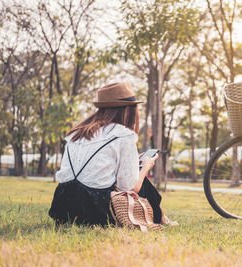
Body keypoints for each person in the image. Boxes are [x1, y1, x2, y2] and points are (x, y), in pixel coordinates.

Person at [49, 82, 177, 227]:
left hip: (62, 206)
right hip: (93, 210)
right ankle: (162, 219)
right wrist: (146, 167)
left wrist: (133, 161)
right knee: (142, 180)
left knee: (134, 171)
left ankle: (163, 218)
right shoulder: (123, 135)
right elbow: (129, 187)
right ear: (129, 110)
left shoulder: (77, 133)